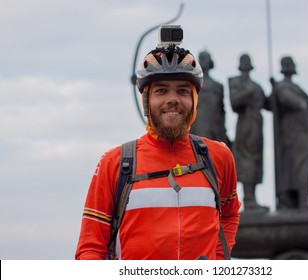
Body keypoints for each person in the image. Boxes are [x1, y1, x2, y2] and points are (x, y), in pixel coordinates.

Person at [75, 35, 241, 260]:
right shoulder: (114, 163)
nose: (173, 99)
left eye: (183, 91)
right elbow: (90, 249)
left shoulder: (218, 157)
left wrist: (219, 261)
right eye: (161, 90)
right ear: (146, 100)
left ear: (193, 99)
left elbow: (229, 214)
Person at [270, 56, 308, 211]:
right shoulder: (281, 86)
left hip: (302, 129)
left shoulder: (295, 87)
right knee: (300, 162)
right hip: (293, 131)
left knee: (305, 161)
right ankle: (301, 199)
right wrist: (303, 105)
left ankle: (303, 197)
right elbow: (287, 100)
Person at [228, 53, 270, 211]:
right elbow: (234, 103)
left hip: (257, 123)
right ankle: (249, 198)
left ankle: (252, 196)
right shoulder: (235, 82)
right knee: (246, 158)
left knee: (256, 157)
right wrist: (248, 92)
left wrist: (274, 89)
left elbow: (269, 104)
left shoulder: (257, 85)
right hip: (245, 123)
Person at [190, 50, 231, 148]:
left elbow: (222, 110)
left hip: (216, 126)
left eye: (206, 58)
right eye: (201, 59)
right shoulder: (192, 84)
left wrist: (223, 130)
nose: (204, 61)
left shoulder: (218, 86)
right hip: (199, 124)